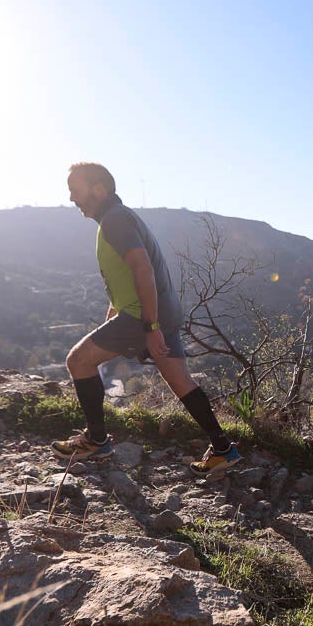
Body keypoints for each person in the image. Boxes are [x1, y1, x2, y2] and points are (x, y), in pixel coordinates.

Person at [51, 162, 241, 473]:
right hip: (159, 313)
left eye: (76, 190)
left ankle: (96, 440)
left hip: (145, 317)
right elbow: (127, 275)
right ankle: (223, 449)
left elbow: (142, 269)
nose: (72, 197)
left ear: (99, 189)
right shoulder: (118, 218)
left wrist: (149, 326)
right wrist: (118, 313)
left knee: (78, 361)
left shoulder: (115, 221)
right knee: (180, 380)